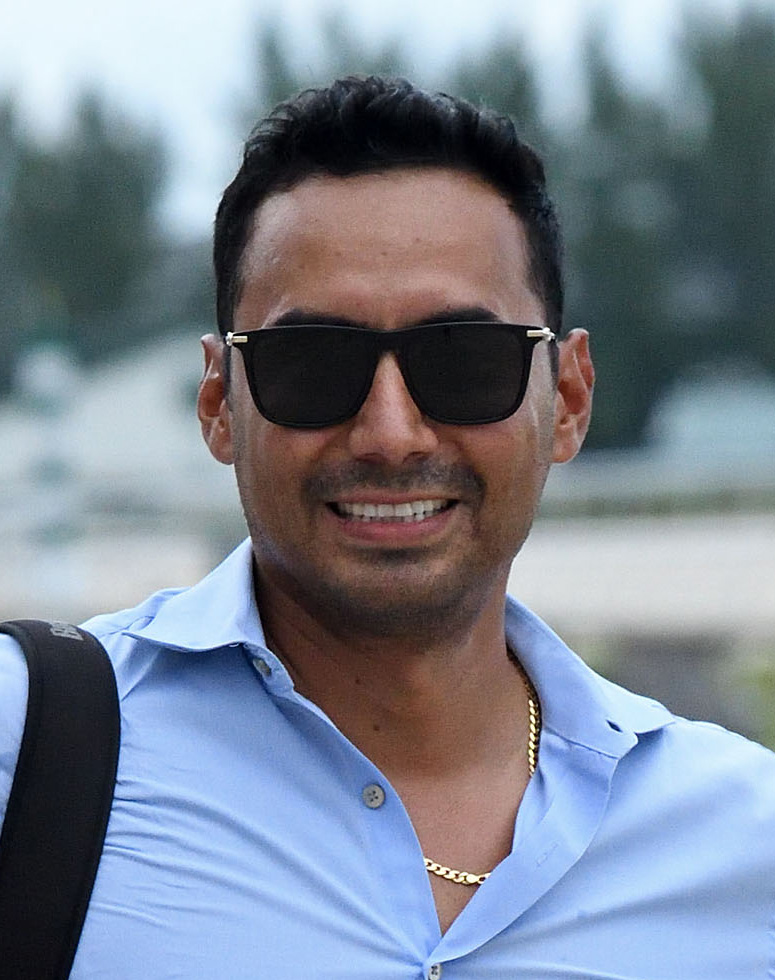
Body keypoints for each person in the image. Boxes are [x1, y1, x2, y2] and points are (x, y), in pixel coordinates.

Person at [1, 75, 774, 979]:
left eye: (464, 358)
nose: (391, 434)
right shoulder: (33, 753)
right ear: (218, 402)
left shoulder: (740, 845)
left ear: (567, 398)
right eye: (312, 362)